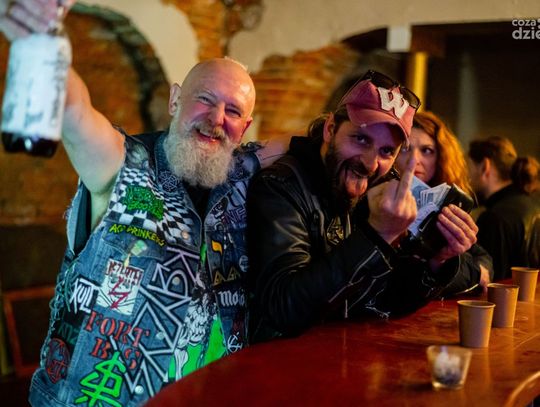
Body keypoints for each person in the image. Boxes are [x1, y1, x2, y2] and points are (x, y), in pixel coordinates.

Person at [0, 1, 287, 405]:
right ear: (174, 101)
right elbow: (77, 114)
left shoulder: (240, 177)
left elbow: (320, 141)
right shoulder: (122, 164)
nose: (217, 118)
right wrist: (45, 43)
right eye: (205, 99)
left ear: (244, 128)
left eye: (233, 110)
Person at [247, 71, 478, 342]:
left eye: (387, 151)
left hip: (340, 354)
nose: (370, 163)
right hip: (278, 361)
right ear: (330, 129)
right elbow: (284, 308)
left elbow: (383, 301)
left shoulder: (374, 189)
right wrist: (376, 235)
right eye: (361, 139)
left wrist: (435, 261)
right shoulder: (281, 186)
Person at [395, 111, 493, 295]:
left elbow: (482, 257)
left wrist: (465, 266)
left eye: (427, 151)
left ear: (440, 157)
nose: (414, 160)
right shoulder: (378, 202)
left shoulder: (443, 203)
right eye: (405, 148)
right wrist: (475, 272)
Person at [468, 136, 540, 280]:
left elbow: (487, 284)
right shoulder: (534, 206)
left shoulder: (493, 219)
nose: (467, 178)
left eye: (468, 168)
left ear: (485, 167)